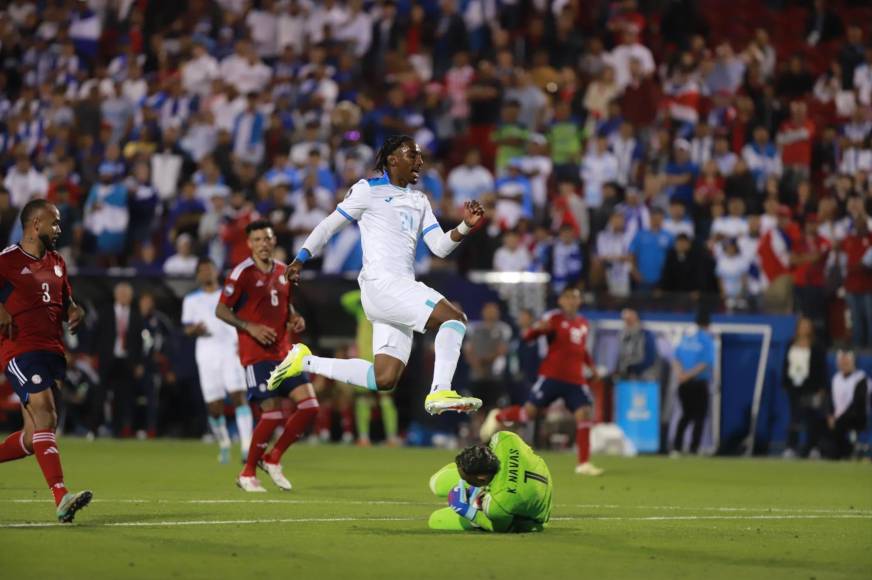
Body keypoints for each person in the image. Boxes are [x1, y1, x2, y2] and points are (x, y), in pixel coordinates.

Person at [269, 135, 485, 416]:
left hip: (395, 291)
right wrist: (301, 258)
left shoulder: (420, 200)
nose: (419, 161)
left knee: (384, 378)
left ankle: (305, 361)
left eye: (420, 156)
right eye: (412, 155)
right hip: (383, 284)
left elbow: (440, 248)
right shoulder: (367, 190)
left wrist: (464, 227)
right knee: (455, 319)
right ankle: (439, 390)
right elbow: (328, 225)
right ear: (392, 160)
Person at [0, 199, 91, 522]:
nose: (59, 229)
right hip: (20, 349)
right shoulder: (7, 260)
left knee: (32, 435)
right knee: (45, 413)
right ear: (35, 225)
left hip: (52, 350)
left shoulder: (57, 261)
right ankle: (60, 495)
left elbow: (66, 298)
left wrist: (73, 310)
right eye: (54, 223)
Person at [216, 220, 319, 492]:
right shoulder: (242, 273)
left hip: (285, 352)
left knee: (310, 407)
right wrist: (249, 326)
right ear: (249, 244)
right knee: (271, 414)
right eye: (258, 239)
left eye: (267, 238)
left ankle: (273, 458)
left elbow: (286, 305)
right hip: (257, 355)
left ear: (274, 242)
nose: (263, 243)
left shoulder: (285, 272)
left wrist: (295, 318)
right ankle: (247, 473)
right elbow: (221, 311)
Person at [480, 287, 604, 476]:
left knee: (584, 414)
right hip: (551, 376)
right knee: (528, 414)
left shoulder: (583, 323)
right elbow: (530, 336)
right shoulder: (554, 319)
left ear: (579, 301)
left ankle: (583, 463)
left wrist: (592, 368)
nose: (571, 301)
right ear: (561, 301)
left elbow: (581, 350)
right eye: (568, 297)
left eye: (575, 298)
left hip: (575, 380)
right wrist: (536, 330)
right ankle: (499, 416)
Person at [182, 258, 254, 463]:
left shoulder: (229, 294)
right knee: (214, 406)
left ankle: (246, 447)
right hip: (206, 354)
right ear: (197, 275)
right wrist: (194, 330)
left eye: (209, 269)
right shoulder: (191, 300)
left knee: (238, 395)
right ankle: (224, 443)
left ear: (216, 272)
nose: (206, 273)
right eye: (202, 270)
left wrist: (243, 342)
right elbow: (187, 328)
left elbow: (244, 320)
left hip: (230, 351)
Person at [427, 431, 552, 533]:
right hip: (538, 480)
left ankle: (478, 496)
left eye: (466, 480)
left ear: (481, 478)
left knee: (435, 520)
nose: (465, 482)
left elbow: (499, 528)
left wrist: (467, 511)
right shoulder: (505, 440)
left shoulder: (498, 505)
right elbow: (484, 448)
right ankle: (480, 490)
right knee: (436, 484)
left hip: (534, 515)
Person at [339, 289, 400, 447]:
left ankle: (392, 438)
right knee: (363, 399)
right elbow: (345, 300)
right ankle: (364, 438)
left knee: (386, 399)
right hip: (364, 360)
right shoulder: (362, 310)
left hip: (383, 359)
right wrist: (366, 291)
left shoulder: (389, 312)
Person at [782, 317, 828, 459]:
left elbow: (821, 368)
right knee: (794, 418)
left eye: (807, 326)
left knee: (812, 418)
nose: (804, 329)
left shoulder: (817, 346)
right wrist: (785, 382)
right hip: (795, 388)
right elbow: (785, 364)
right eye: (802, 326)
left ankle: (813, 447)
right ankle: (791, 447)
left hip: (811, 388)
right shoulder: (790, 343)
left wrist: (822, 388)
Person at [672, 310, 715, 455]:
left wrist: (681, 375)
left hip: (683, 383)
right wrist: (689, 375)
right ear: (708, 324)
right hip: (698, 382)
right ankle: (693, 449)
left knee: (685, 415)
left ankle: (676, 448)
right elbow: (705, 363)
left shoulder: (686, 337)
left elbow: (676, 358)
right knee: (699, 417)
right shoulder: (706, 339)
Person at [823, 351, 868, 460]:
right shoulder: (835, 379)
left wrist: (839, 418)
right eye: (842, 362)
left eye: (847, 362)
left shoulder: (860, 379)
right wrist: (829, 415)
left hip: (854, 418)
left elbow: (859, 403)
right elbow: (829, 399)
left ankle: (848, 453)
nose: (844, 365)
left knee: (842, 427)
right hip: (837, 419)